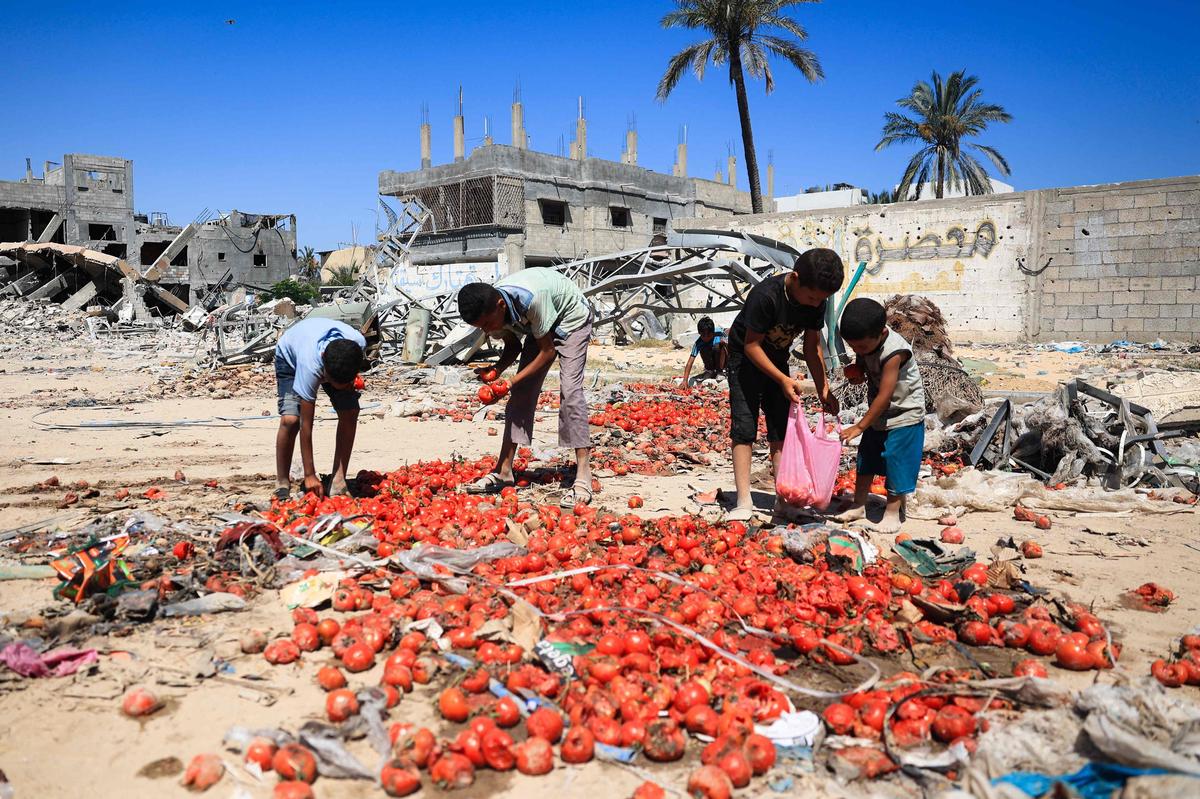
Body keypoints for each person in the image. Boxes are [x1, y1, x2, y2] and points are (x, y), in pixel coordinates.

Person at [457, 268, 594, 506]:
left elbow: (548, 352)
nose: (488, 331)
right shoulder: (492, 314)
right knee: (521, 393)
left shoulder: (532, 299)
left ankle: (583, 474)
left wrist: (510, 382)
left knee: (570, 391)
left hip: (572, 319)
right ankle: (504, 470)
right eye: (482, 328)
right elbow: (513, 347)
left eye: (488, 324)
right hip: (540, 327)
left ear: (501, 305)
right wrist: (497, 370)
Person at [725, 248, 844, 522]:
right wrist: (782, 379)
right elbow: (751, 346)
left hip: (778, 358)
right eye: (812, 297)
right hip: (745, 359)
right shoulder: (766, 296)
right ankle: (744, 499)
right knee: (744, 426)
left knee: (781, 428)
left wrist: (823, 387)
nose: (816, 304)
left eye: (822, 300)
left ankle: (783, 498)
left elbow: (812, 347)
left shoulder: (817, 302)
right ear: (795, 278)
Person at [833, 297, 926, 534]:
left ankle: (894, 512)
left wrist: (860, 426)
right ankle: (859, 505)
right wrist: (857, 371)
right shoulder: (867, 343)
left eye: (861, 347)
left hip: (904, 414)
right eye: (854, 347)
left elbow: (885, 395)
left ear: (882, 333)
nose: (858, 351)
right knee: (866, 458)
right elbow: (866, 364)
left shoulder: (895, 352)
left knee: (897, 460)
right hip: (880, 414)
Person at [273, 316, 366, 500]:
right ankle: (282, 481)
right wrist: (309, 474)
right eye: (330, 382)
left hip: (333, 361)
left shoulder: (357, 345)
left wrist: (347, 385)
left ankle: (338, 481)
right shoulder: (309, 366)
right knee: (291, 420)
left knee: (350, 411)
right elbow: (306, 425)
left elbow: (348, 372)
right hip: (289, 357)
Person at [681, 316, 727, 386]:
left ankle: (720, 371)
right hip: (710, 363)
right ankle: (710, 371)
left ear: (713, 332)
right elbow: (690, 361)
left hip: (723, 362)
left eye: (708, 335)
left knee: (718, 346)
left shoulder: (720, 334)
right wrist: (685, 380)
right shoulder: (698, 343)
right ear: (699, 333)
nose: (706, 338)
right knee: (704, 348)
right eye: (703, 335)